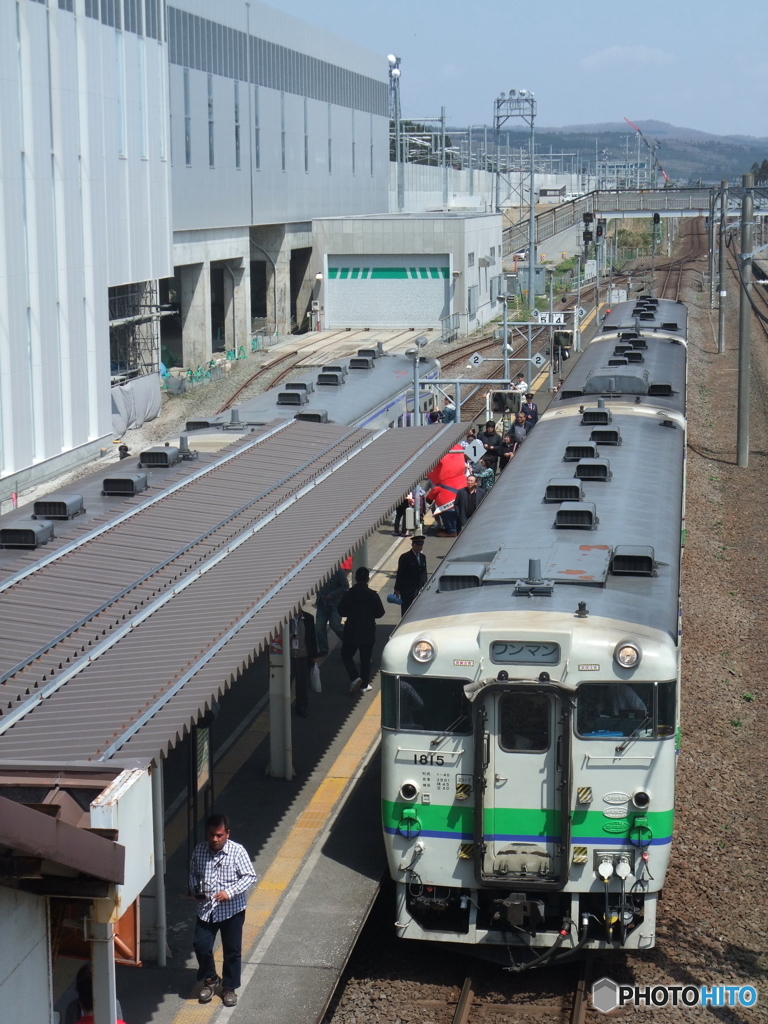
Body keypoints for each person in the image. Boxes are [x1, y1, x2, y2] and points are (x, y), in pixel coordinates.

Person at [189, 814, 258, 1008]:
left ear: (227, 833)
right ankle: (210, 979)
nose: (214, 839)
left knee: (232, 951)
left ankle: (229, 987)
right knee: (201, 945)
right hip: (206, 910)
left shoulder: (237, 852)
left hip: (232, 911)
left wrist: (229, 891)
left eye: (219, 835)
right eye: (211, 834)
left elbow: (250, 877)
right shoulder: (199, 850)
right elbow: (193, 874)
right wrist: (196, 889)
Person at [337, 567, 385, 693]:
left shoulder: (348, 594)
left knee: (346, 655)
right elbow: (380, 613)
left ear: (356, 578)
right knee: (365, 658)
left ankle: (354, 677)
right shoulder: (372, 595)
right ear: (367, 579)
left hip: (351, 630)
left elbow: (341, 610)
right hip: (368, 630)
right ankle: (364, 684)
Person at [289, 607, 318, 717]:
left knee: (302, 684)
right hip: (289, 656)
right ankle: (283, 707)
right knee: (285, 683)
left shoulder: (308, 618)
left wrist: (314, 655)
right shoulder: (286, 619)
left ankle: (301, 707)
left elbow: (312, 637)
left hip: (303, 656)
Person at [315, 566, 349, 655]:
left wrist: (332, 594)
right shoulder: (319, 570)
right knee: (319, 627)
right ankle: (323, 649)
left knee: (335, 625)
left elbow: (345, 587)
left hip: (335, 603)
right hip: (322, 602)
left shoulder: (339, 571)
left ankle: (349, 641)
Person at [394, 535, 428, 616]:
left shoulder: (423, 557)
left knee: (418, 609)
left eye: (421, 545)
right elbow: (400, 573)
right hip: (408, 589)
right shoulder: (405, 557)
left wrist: (426, 585)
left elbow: (424, 572)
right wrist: (397, 588)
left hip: (419, 588)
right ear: (413, 545)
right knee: (407, 610)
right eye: (417, 545)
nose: (419, 547)